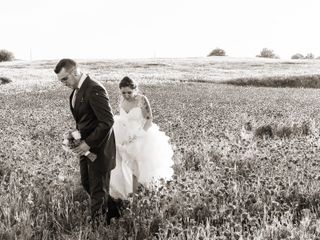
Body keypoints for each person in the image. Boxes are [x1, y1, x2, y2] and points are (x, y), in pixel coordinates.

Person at [54, 59, 120, 224]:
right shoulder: (77, 91)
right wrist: (75, 134)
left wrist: (88, 143)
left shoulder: (94, 88)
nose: (63, 84)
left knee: (97, 189)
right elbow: (86, 121)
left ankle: (98, 227)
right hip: (86, 148)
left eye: (64, 79)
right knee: (87, 183)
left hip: (99, 149)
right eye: (60, 80)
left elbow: (107, 121)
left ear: (75, 72)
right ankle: (115, 212)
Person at [110, 76, 174, 200]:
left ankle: (137, 195)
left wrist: (137, 135)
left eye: (129, 92)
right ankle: (128, 193)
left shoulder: (142, 99)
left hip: (142, 135)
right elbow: (122, 119)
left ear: (135, 89)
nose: (127, 95)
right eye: (123, 92)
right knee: (123, 166)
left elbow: (149, 120)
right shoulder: (122, 101)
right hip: (124, 136)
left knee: (138, 167)